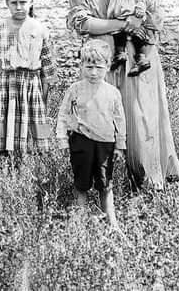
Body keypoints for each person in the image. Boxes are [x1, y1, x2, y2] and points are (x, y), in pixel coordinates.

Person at [66, 0, 179, 190]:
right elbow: (81, 22)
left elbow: (154, 17)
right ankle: (105, 183)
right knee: (101, 119)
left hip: (137, 58)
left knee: (141, 117)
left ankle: (148, 180)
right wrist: (120, 24)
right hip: (101, 62)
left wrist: (139, 22)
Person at [56, 38, 126, 227]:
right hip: (81, 142)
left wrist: (120, 145)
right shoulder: (75, 90)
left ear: (107, 66)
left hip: (105, 144)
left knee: (105, 184)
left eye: (98, 67)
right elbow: (64, 114)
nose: (93, 72)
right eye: (89, 67)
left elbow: (120, 120)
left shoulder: (112, 93)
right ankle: (80, 222)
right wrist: (62, 139)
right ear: (81, 66)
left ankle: (112, 223)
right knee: (81, 183)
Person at [0, 0, 56, 163]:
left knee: (33, 131)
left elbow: (49, 68)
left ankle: (30, 171)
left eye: (23, 2)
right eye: (14, 2)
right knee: (1, 128)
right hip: (5, 84)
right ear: (7, 3)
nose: (19, 7)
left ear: (31, 2)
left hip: (31, 84)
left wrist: (44, 97)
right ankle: (0, 168)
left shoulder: (40, 29)